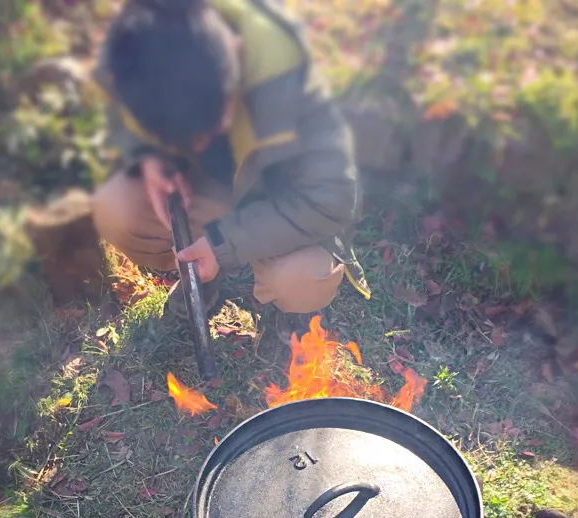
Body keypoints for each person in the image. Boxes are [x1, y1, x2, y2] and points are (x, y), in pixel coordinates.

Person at [91, 0, 370, 324]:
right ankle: (204, 275)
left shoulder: (290, 78)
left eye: (208, 127)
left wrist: (222, 243)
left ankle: (283, 310)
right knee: (116, 208)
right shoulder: (139, 41)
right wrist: (149, 155)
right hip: (213, 190)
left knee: (301, 278)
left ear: (235, 55)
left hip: (288, 203)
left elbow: (332, 200)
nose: (200, 144)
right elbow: (119, 112)